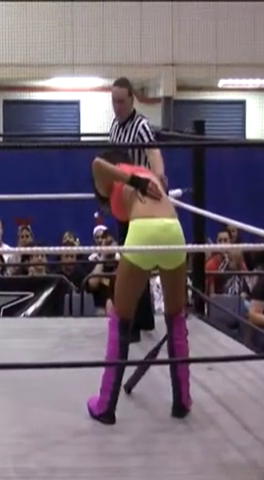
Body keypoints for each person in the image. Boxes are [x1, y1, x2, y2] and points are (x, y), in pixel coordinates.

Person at [87, 150, 191, 425]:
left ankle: (106, 405)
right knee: (176, 318)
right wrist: (158, 175)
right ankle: (182, 400)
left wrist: (132, 181)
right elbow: (154, 149)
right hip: (174, 230)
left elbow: (97, 165)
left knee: (120, 318)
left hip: (144, 232)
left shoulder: (113, 177)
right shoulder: (148, 173)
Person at [109, 77, 167, 340]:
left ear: (132, 99)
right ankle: (143, 319)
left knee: (133, 260)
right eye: (114, 101)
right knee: (132, 259)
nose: (117, 106)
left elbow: (153, 152)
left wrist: (159, 178)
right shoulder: (115, 126)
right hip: (122, 200)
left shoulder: (141, 126)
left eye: (121, 101)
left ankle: (132, 322)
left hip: (139, 202)